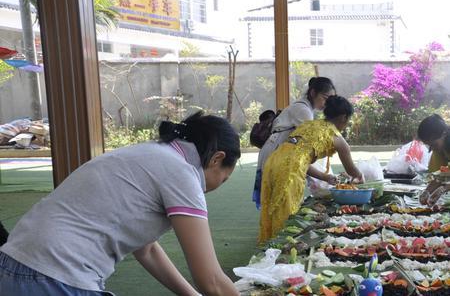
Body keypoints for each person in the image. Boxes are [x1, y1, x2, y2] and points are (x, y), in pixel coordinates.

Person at [0, 111, 241, 296]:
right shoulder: (182, 173)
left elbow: (147, 249)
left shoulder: (151, 154)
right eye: (224, 177)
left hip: (11, 264)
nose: (217, 186)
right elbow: (211, 281)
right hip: (57, 276)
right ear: (216, 159)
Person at [258, 96, 364, 243]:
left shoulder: (310, 125)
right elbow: (351, 170)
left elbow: (298, 159)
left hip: (273, 161)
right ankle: (281, 251)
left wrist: (324, 177)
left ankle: (269, 247)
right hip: (289, 169)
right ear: (344, 117)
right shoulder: (337, 138)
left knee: (272, 208)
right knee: (287, 214)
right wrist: (360, 175)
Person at [252, 77, 336, 209]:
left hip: (276, 152)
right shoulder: (303, 111)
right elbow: (309, 148)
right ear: (313, 93)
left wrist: (325, 177)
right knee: (281, 203)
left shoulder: (305, 109)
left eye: (330, 100)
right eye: (325, 98)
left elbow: (301, 157)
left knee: (280, 203)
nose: (327, 103)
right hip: (276, 154)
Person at [417, 114, 450, 206]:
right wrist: (427, 191)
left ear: (444, 133)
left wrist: (444, 188)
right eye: (429, 145)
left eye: (434, 144)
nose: (432, 148)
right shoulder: (438, 148)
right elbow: (442, 174)